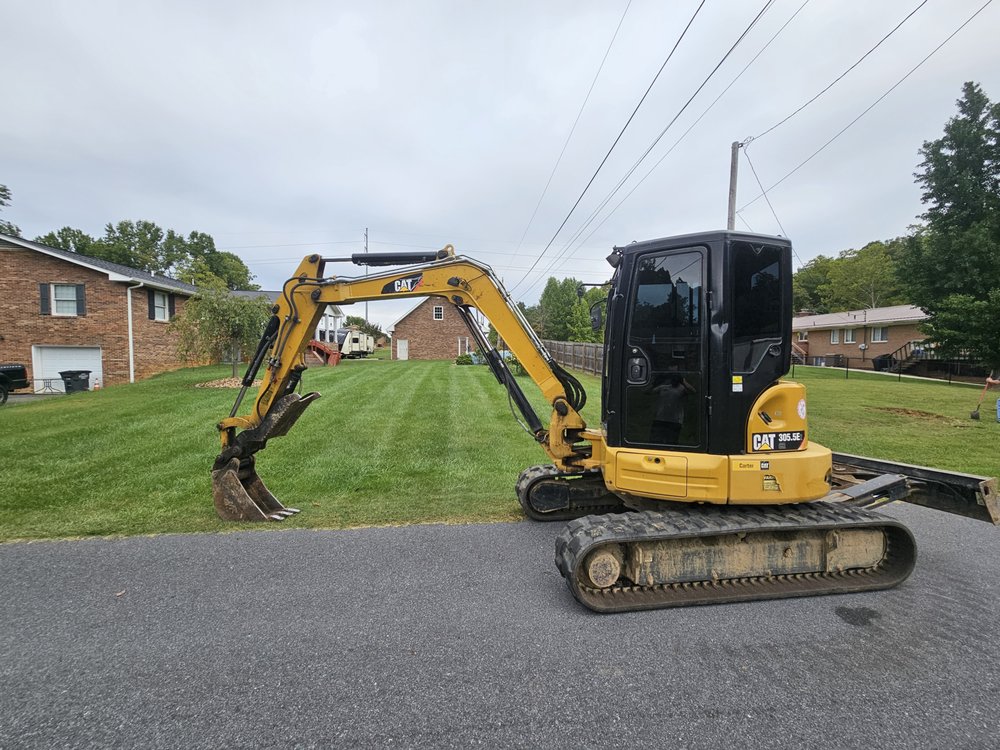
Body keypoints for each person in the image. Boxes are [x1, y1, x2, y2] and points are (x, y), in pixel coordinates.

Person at [650, 375, 695, 444]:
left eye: (676, 378)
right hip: (660, 419)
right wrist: (655, 382)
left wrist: (684, 382)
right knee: (655, 442)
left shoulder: (682, 389)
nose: (674, 380)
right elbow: (647, 392)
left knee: (672, 443)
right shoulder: (663, 387)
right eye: (673, 378)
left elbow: (693, 391)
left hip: (675, 421)